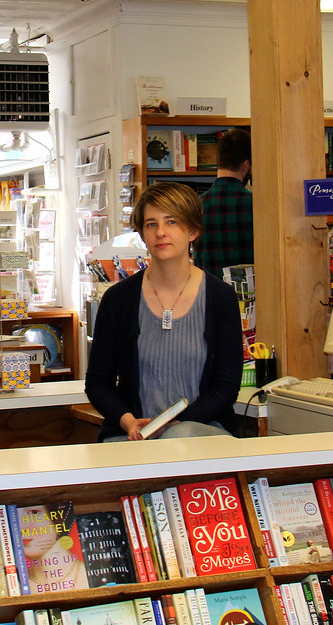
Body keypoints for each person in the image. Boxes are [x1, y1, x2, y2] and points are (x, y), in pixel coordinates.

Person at [85, 182, 243, 442]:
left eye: (171, 222)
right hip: (132, 438)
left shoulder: (220, 298)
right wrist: (128, 422)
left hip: (202, 433)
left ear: (192, 230)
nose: (160, 232)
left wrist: (177, 425)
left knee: (177, 439)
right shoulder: (118, 300)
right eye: (151, 224)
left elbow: (225, 388)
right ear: (142, 233)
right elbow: (98, 383)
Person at [195, 128, 253, 277]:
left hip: (208, 291)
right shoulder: (257, 204)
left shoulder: (196, 205)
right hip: (250, 293)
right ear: (246, 165)